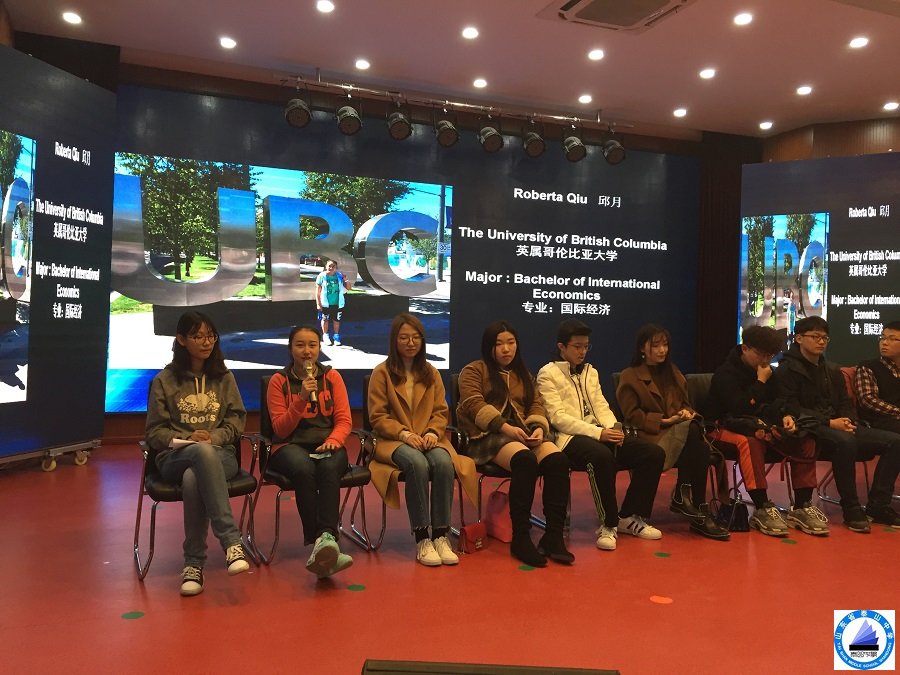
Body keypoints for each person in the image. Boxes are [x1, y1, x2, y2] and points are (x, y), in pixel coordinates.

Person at [145, 311, 251, 596]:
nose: (206, 342)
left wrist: (214, 437)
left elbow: (237, 421)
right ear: (181, 339)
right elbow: (154, 432)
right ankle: (231, 542)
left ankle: (193, 564)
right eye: (198, 336)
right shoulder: (165, 381)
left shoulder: (224, 378)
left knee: (195, 476)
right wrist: (186, 439)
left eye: (210, 336)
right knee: (198, 456)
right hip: (174, 458)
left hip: (220, 454)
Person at [536, 319, 665, 551]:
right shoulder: (548, 373)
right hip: (569, 438)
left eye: (586, 346)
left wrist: (613, 429)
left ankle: (630, 516)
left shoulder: (590, 372)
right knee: (601, 456)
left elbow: (601, 405)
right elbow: (558, 418)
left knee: (653, 453)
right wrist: (599, 433)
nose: (582, 352)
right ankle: (608, 524)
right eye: (577, 346)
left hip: (600, 432)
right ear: (561, 347)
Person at [457, 320, 574, 567]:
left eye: (510, 342)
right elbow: (473, 404)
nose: (506, 349)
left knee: (558, 460)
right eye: (499, 344)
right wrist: (506, 427)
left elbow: (536, 404)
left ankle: (553, 537)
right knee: (525, 460)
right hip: (486, 436)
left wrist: (539, 427)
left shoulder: (523, 374)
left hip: (522, 433)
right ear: (488, 347)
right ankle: (521, 537)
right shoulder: (474, 370)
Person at [367, 313, 479, 565]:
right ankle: (422, 538)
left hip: (428, 437)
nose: (410, 343)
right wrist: (403, 433)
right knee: (416, 463)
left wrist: (432, 432)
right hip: (393, 440)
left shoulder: (431, 372)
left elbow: (440, 411)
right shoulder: (381, 373)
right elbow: (378, 416)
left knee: (443, 462)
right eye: (404, 337)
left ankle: (440, 535)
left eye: (415, 337)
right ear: (394, 341)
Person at [776, 316, 900, 532]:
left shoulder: (831, 369)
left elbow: (845, 402)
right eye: (815, 337)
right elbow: (791, 408)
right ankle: (851, 508)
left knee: (895, 441)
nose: (821, 342)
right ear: (799, 338)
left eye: (825, 338)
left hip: (837, 424)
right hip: (809, 426)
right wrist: (830, 422)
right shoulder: (786, 370)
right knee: (846, 442)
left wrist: (848, 420)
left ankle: (878, 505)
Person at [706, 325, 827, 537]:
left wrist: (786, 417)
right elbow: (740, 408)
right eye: (761, 354)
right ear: (745, 348)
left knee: (805, 438)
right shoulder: (725, 374)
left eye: (770, 355)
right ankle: (762, 506)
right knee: (749, 442)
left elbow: (781, 401)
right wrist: (761, 382)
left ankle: (802, 505)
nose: (765, 359)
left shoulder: (770, 372)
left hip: (760, 425)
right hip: (721, 428)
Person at [616, 323, 729, 540]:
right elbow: (631, 415)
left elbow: (686, 405)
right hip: (651, 435)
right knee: (696, 438)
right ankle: (693, 505)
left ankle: (692, 503)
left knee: (695, 437)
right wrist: (665, 420)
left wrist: (686, 413)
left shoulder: (673, 372)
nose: (662, 350)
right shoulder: (630, 375)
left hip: (681, 432)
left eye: (665, 345)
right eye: (656, 345)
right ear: (642, 348)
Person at [266, 325, 354, 577]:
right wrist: (301, 398)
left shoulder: (332, 377)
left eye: (312, 345)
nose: (307, 351)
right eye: (300, 345)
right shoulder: (279, 381)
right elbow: (281, 429)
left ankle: (325, 540)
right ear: (290, 348)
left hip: (327, 442)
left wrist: (334, 441)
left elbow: (344, 420)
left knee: (329, 466)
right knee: (304, 468)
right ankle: (323, 542)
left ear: (319, 348)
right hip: (290, 445)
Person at [852, 320, 900, 527]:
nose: (884, 343)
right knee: (897, 442)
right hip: (876, 423)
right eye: (882, 338)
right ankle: (878, 505)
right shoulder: (868, 367)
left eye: (892, 339)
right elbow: (868, 400)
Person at [315, 259, 353, 346]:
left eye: (333, 266)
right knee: (325, 319)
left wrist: (345, 279)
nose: (331, 268)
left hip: (338, 303)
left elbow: (349, 288)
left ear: (336, 268)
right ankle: (326, 336)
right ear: (326, 266)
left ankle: (336, 336)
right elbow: (318, 291)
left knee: (336, 320)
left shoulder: (339, 276)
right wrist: (318, 303)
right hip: (325, 303)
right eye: (329, 266)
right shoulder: (322, 276)